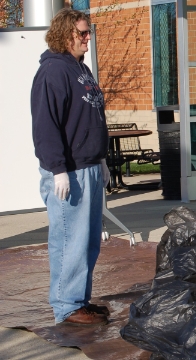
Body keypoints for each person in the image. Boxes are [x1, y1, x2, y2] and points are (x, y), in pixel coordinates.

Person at [31, 8, 111, 326]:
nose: (88, 38)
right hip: (69, 172)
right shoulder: (54, 71)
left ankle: (79, 300)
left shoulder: (81, 68)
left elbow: (92, 119)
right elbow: (46, 123)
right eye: (82, 33)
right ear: (66, 34)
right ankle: (66, 305)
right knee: (69, 240)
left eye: (88, 32)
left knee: (88, 241)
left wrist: (102, 159)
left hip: (89, 166)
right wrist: (56, 168)